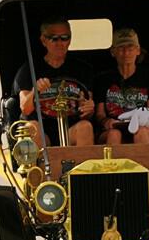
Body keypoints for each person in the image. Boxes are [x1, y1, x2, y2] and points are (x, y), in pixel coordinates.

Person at [14, 19, 95, 148]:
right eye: (54, 38)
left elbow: (87, 108)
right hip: (42, 128)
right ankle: (39, 167)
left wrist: (89, 107)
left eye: (64, 38)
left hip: (71, 127)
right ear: (43, 40)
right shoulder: (29, 69)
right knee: (32, 127)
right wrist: (35, 91)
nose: (60, 43)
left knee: (85, 127)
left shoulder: (82, 69)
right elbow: (25, 108)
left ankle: (83, 167)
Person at [94, 28, 149, 145]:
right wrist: (106, 121)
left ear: (138, 50)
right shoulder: (103, 79)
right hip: (114, 127)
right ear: (113, 52)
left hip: (143, 126)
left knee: (140, 133)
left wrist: (143, 117)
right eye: (121, 48)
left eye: (130, 48)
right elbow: (100, 113)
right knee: (114, 135)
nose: (126, 53)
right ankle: (111, 164)